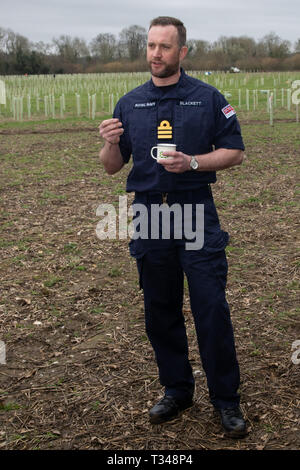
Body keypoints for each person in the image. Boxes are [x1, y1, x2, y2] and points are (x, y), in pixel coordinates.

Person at [99, 16, 247, 438]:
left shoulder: (207, 97)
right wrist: (109, 142)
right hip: (149, 215)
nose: (156, 54)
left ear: (182, 51)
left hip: (195, 211)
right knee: (159, 311)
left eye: (165, 47)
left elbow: (234, 151)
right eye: (150, 46)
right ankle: (177, 389)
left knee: (210, 309)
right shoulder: (129, 103)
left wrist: (193, 163)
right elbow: (112, 168)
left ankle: (226, 400)